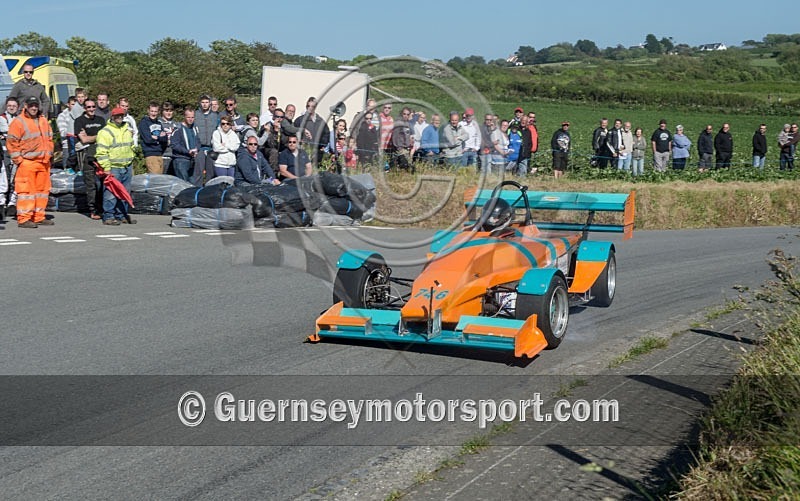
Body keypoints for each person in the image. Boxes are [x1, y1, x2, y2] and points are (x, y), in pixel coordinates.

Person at [6, 96, 54, 228]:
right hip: (27, 162)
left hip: (43, 162)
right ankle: (24, 218)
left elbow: (50, 138)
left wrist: (49, 154)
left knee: (42, 191)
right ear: (26, 106)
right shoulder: (19, 122)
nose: (34, 108)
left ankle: (38, 216)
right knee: (26, 192)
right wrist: (19, 160)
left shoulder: (43, 120)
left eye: (36, 105)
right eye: (31, 105)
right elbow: (11, 143)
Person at [96, 106, 135, 225]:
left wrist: (131, 159)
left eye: (121, 115)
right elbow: (101, 153)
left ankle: (121, 215)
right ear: (112, 117)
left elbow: (131, 146)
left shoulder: (127, 129)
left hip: (127, 165)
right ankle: (108, 216)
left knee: (124, 192)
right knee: (111, 193)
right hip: (113, 167)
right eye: (117, 116)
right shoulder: (105, 132)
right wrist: (106, 168)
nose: (119, 118)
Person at [74, 98, 106, 219]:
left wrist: (91, 137)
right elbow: (84, 140)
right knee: (91, 184)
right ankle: (93, 210)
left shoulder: (101, 120)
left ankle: (102, 207)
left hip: (101, 156)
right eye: (89, 107)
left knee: (103, 184)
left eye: (93, 107)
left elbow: (105, 137)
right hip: (87, 156)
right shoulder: (79, 121)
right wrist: (99, 136)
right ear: (84, 108)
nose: (91, 109)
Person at [193, 94, 220, 185]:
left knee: (210, 173)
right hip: (199, 148)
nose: (205, 104)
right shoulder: (195, 115)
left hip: (211, 148)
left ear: (210, 103)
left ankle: (209, 192)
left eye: (207, 102)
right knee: (198, 173)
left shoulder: (215, 116)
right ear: (200, 103)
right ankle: (196, 191)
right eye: (203, 102)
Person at [294, 96, 329, 165]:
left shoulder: (320, 121)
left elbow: (326, 134)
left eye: (312, 106)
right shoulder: (300, 120)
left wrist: (322, 145)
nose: (310, 108)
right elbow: (294, 133)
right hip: (303, 151)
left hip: (317, 152)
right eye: (308, 106)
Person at [0, 97, 20, 216]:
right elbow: (8, 132)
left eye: (14, 106)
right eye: (9, 105)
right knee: (5, 179)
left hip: (16, 152)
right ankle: (3, 203)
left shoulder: (20, 119)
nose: (11, 107)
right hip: (4, 153)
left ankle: (12, 203)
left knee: (16, 179)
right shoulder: (1, 118)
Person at [170, 107, 199, 182]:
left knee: (191, 184)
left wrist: (197, 149)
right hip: (181, 160)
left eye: (192, 117)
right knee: (183, 184)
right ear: (184, 117)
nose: (190, 119)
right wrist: (187, 151)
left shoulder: (194, 128)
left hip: (192, 160)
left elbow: (198, 141)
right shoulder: (178, 128)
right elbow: (174, 145)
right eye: (188, 117)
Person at [139, 101, 165, 174]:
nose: (153, 113)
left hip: (159, 154)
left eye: (155, 111)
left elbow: (165, 138)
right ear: (148, 111)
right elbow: (148, 139)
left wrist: (156, 137)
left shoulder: (159, 123)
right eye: (152, 111)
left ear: (158, 112)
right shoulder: (144, 123)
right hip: (150, 154)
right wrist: (159, 137)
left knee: (160, 179)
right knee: (155, 178)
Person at [56, 96, 77, 168]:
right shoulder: (62, 116)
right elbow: (62, 133)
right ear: (68, 104)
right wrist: (75, 131)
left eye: (76, 104)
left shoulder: (81, 114)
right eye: (73, 104)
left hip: (79, 147)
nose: (75, 107)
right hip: (67, 147)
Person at [159, 101, 179, 175]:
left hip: (174, 156)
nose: (169, 113)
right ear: (162, 111)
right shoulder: (158, 123)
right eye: (166, 111)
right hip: (163, 155)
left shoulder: (176, 124)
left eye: (170, 111)